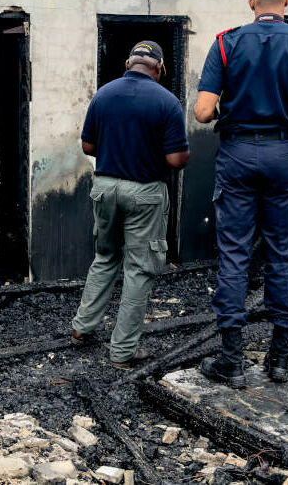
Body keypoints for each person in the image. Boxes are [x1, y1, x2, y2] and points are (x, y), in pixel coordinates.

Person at [193, 0, 288, 388]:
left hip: (237, 152)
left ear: (252, 1)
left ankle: (232, 363)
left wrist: (232, 109)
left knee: (234, 255)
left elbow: (202, 112)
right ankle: (279, 360)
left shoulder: (226, 43)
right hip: (283, 155)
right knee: (280, 254)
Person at [70, 41, 190, 369]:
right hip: (145, 192)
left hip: (105, 187)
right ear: (159, 68)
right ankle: (122, 352)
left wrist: (117, 149)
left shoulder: (104, 94)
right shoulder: (167, 102)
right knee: (139, 269)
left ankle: (82, 328)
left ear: (128, 63)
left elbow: (88, 145)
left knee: (106, 256)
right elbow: (176, 159)